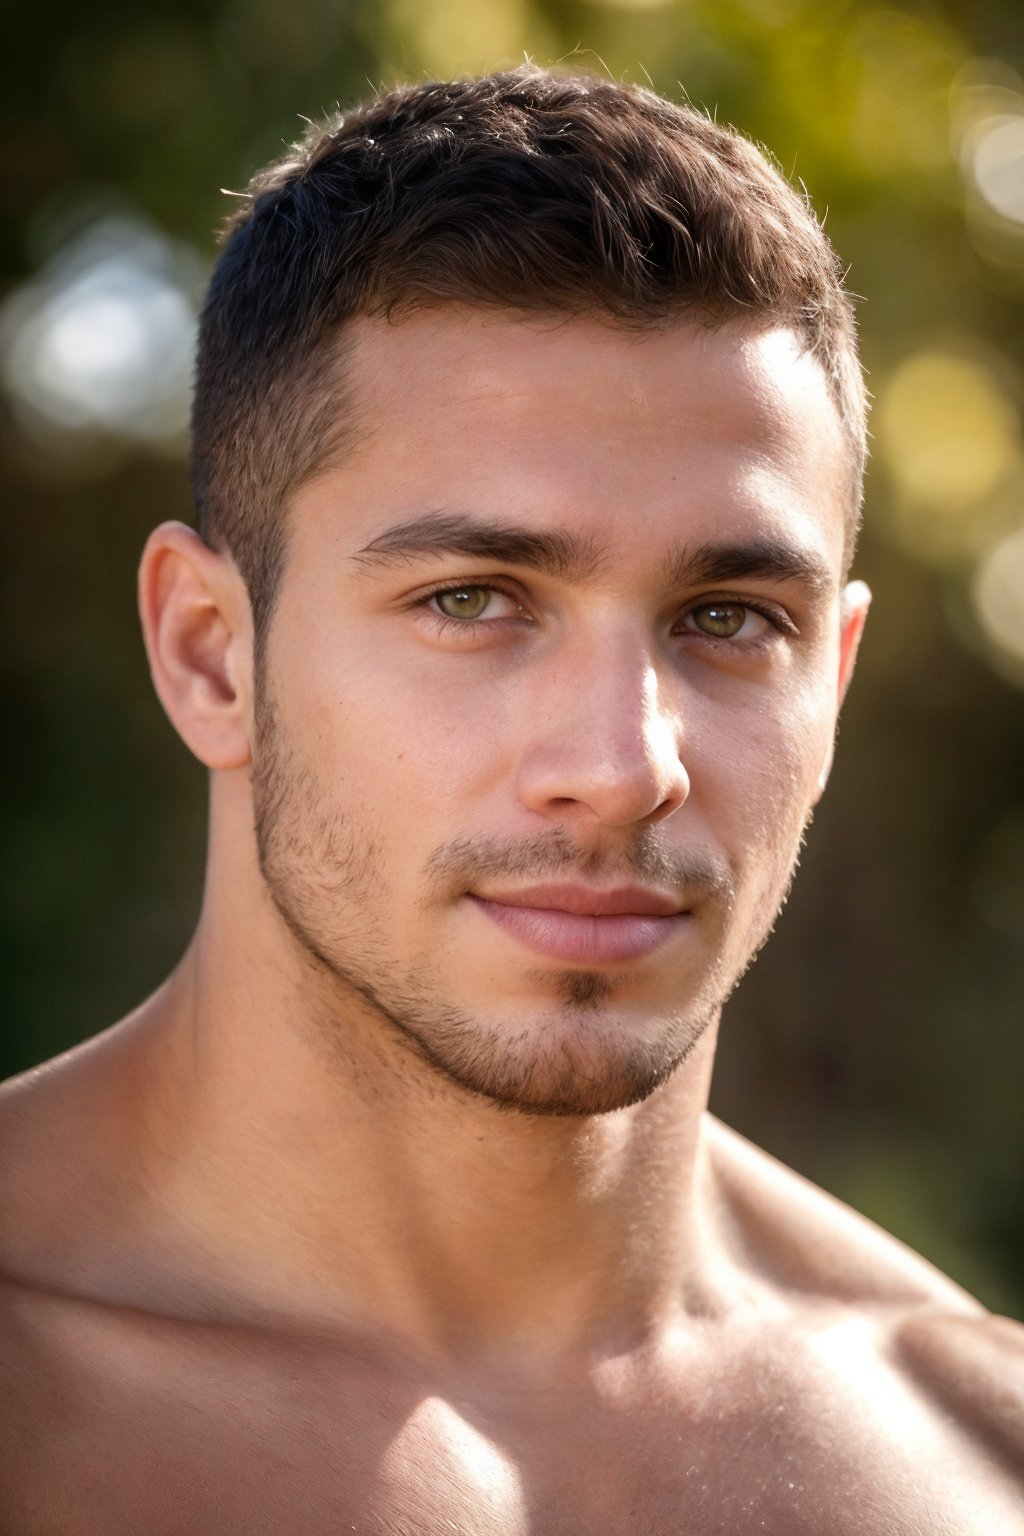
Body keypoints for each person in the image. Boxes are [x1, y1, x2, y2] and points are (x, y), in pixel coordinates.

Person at [1, 65, 1021, 1533]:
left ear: (835, 679)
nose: (623, 765)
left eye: (729, 618)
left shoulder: (980, 1456)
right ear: (209, 656)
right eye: (474, 599)